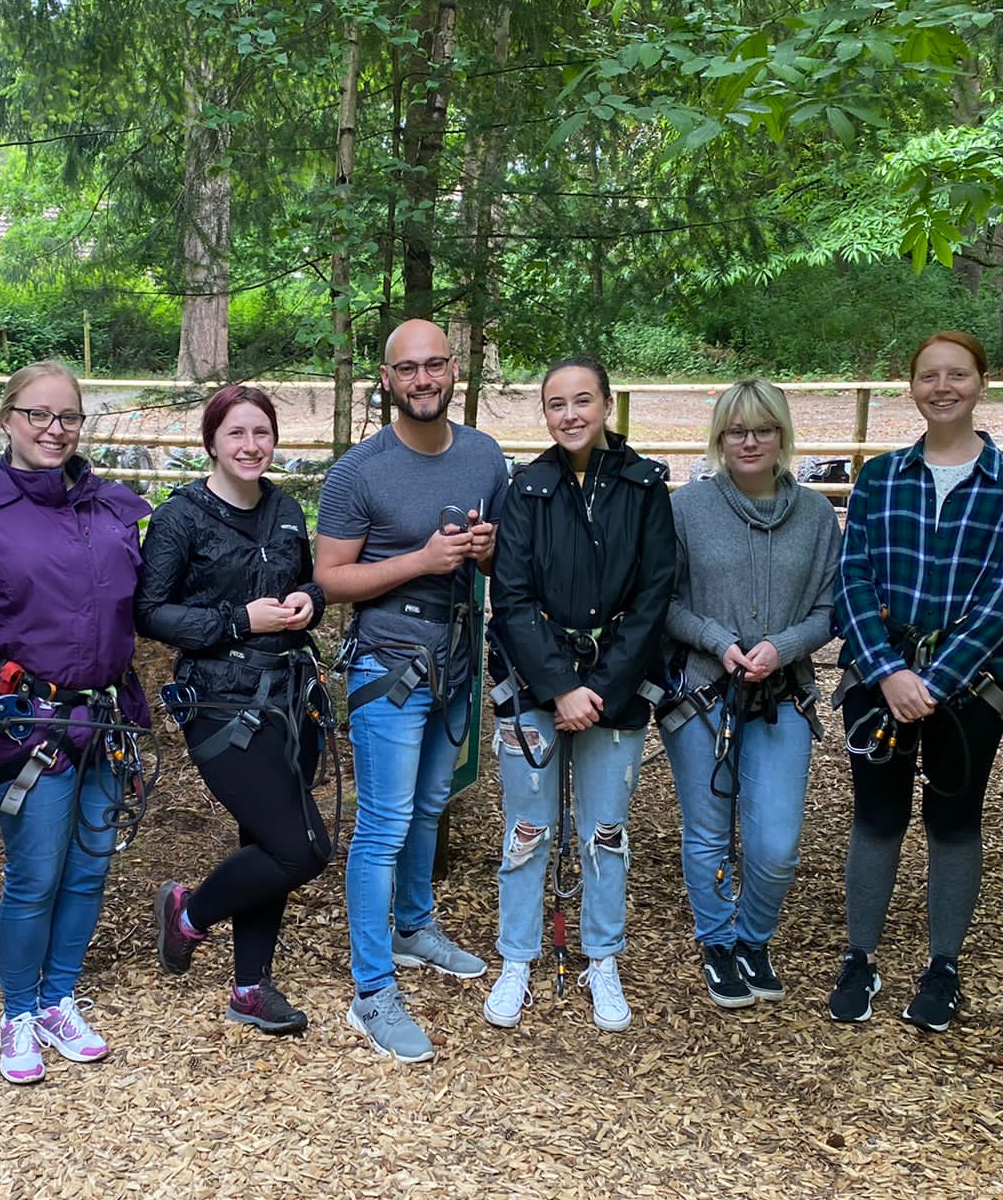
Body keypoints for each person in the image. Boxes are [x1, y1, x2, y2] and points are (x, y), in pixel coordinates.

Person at [830, 330, 1003, 1033]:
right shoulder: (881, 478)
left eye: (957, 375)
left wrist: (937, 678)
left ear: (982, 384)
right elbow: (852, 577)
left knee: (954, 819)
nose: (942, 387)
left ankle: (943, 964)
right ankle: (860, 956)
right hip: (879, 677)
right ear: (913, 386)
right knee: (877, 815)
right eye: (929, 376)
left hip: (970, 683)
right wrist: (889, 672)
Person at [314, 319, 509, 1062]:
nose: (422, 379)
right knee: (384, 825)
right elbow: (330, 580)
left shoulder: (485, 456)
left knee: (430, 805)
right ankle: (372, 991)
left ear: (454, 369)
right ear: (387, 379)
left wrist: (486, 554)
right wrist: (422, 561)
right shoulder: (359, 472)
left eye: (434, 365)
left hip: (456, 656)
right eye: (407, 369)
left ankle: (413, 926)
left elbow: (503, 565)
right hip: (388, 665)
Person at [0, 359, 150, 1085]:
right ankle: (18, 1012)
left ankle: (59, 998)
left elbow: (136, 611)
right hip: (27, 721)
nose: (53, 429)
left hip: (106, 715)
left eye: (67, 416)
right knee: (35, 873)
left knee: (90, 867)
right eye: (37, 414)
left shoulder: (111, 509)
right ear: (8, 418)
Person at [482, 357, 675, 1032]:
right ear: (545, 413)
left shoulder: (644, 486)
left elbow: (655, 596)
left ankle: (602, 956)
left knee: (605, 832)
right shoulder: (527, 489)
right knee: (527, 830)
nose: (570, 415)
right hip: (533, 687)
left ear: (606, 404)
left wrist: (598, 687)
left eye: (583, 400)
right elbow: (509, 596)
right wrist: (560, 687)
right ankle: (517, 956)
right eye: (556, 404)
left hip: (616, 690)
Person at [139, 384, 331, 1036]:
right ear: (212, 443)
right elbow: (151, 612)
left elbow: (303, 582)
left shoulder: (284, 508)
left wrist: (309, 600)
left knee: (267, 842)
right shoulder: (181, 517)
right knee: (301, 849)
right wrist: (237, 621)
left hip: (289, 698)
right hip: (221, 703)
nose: (251, 446)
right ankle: (188, 914)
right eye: (237, 434)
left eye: (262, 433)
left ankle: (250, 987)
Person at [662, 380, 840, 1009]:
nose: (749, 441)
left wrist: (782, 646)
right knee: (708, 830)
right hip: (702, 695)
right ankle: (717, 941)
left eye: (763, 429)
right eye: (736, 430)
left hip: (782, 696)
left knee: (776, 844)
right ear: (719, 437)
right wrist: (717, 640)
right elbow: (664, 603)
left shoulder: (815, 516)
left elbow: (832, 609)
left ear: (781, 435)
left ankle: (753, 938)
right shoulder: (687, 509)